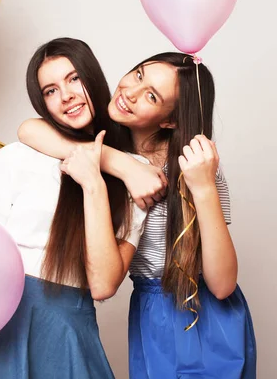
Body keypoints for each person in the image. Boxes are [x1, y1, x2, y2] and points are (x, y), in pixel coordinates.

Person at [18, 52, 257, 378]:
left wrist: (202, 188)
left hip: (209, 317)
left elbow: (223, 284)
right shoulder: (101, 140)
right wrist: (123, 165)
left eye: (151, 95)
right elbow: (29, 130)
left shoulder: (194, 166)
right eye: (139, 74)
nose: (130, 91)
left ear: (169, 120)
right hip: (151, 310)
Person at [0, 38, 149, 379]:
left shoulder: (135, 172)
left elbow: (103, 284)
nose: (66, 95)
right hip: (2, 317)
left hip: (70, 324)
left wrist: (93, 181)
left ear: (92, 76)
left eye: (73, 79)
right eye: (51, 91)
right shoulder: (18, 155)